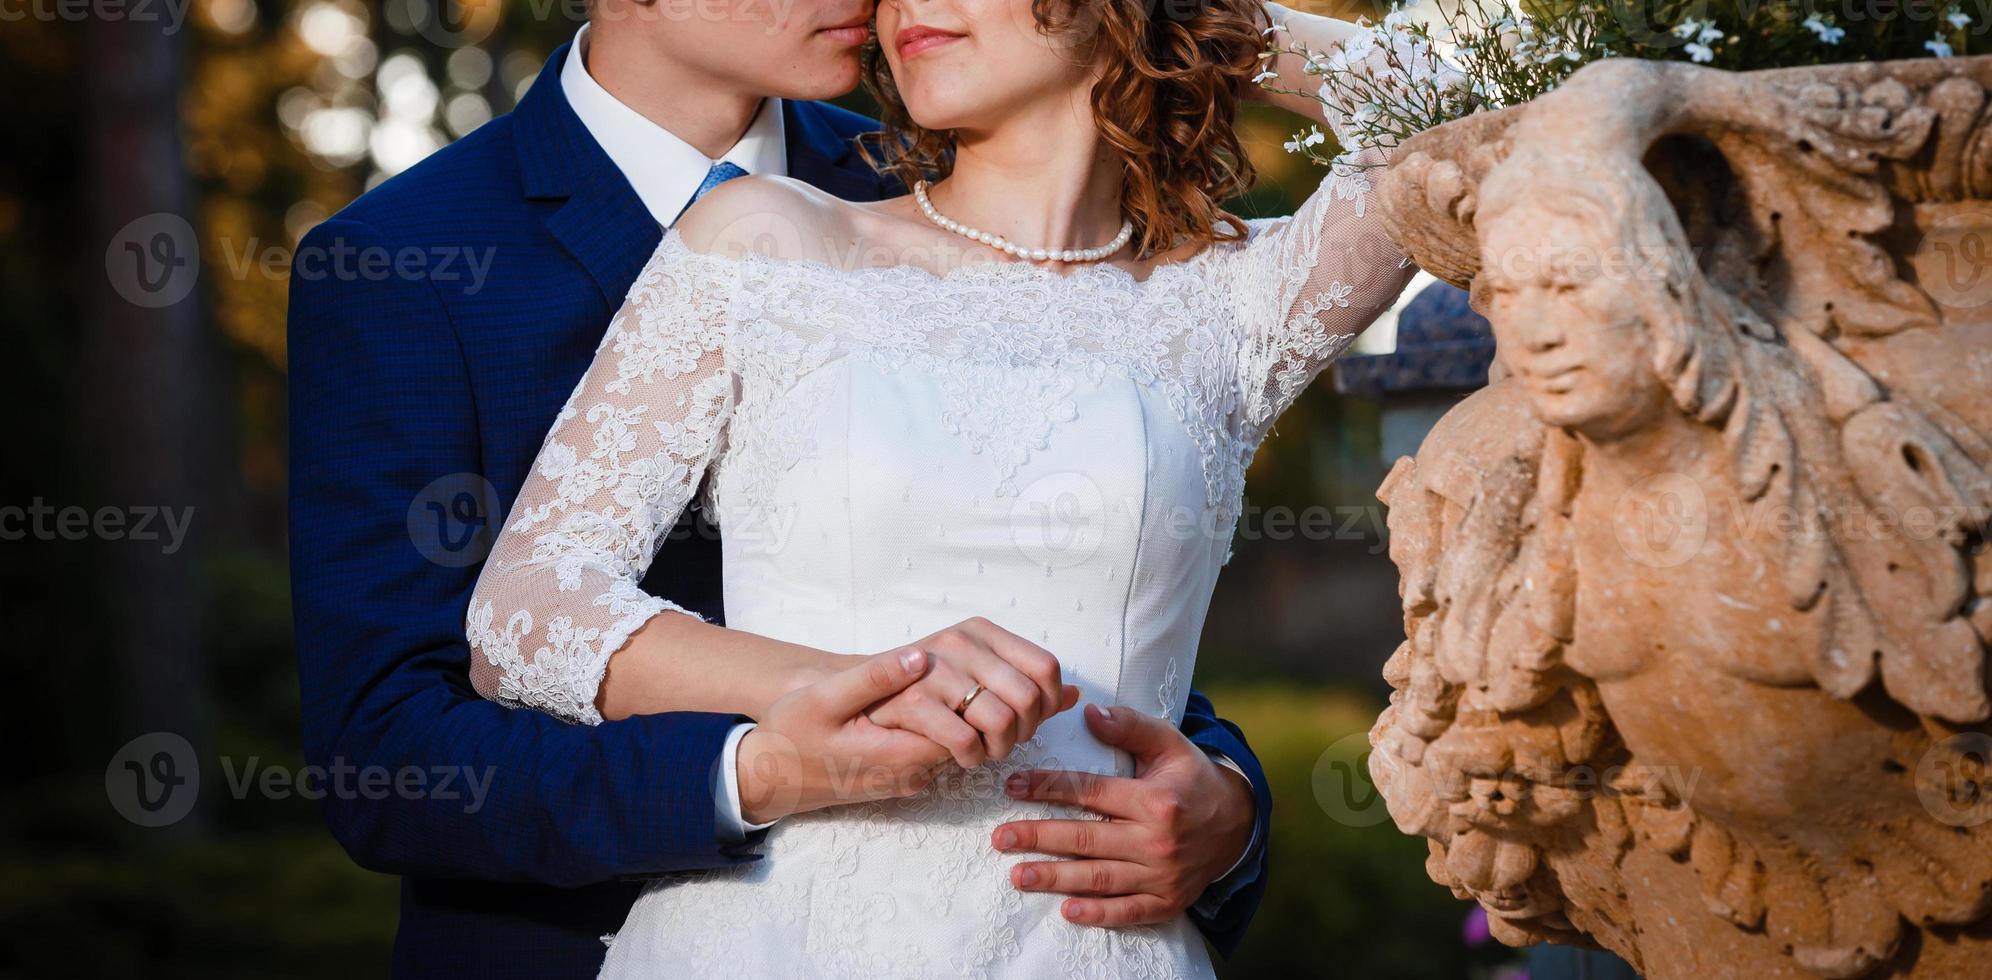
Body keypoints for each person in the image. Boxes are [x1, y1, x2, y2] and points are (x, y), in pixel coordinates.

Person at [285, 0, 1281, 975]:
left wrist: (1226, 807)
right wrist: (751, 772)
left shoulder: (948, 163)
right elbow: (391, 749)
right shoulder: (403, 264)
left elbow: (1079, 566)